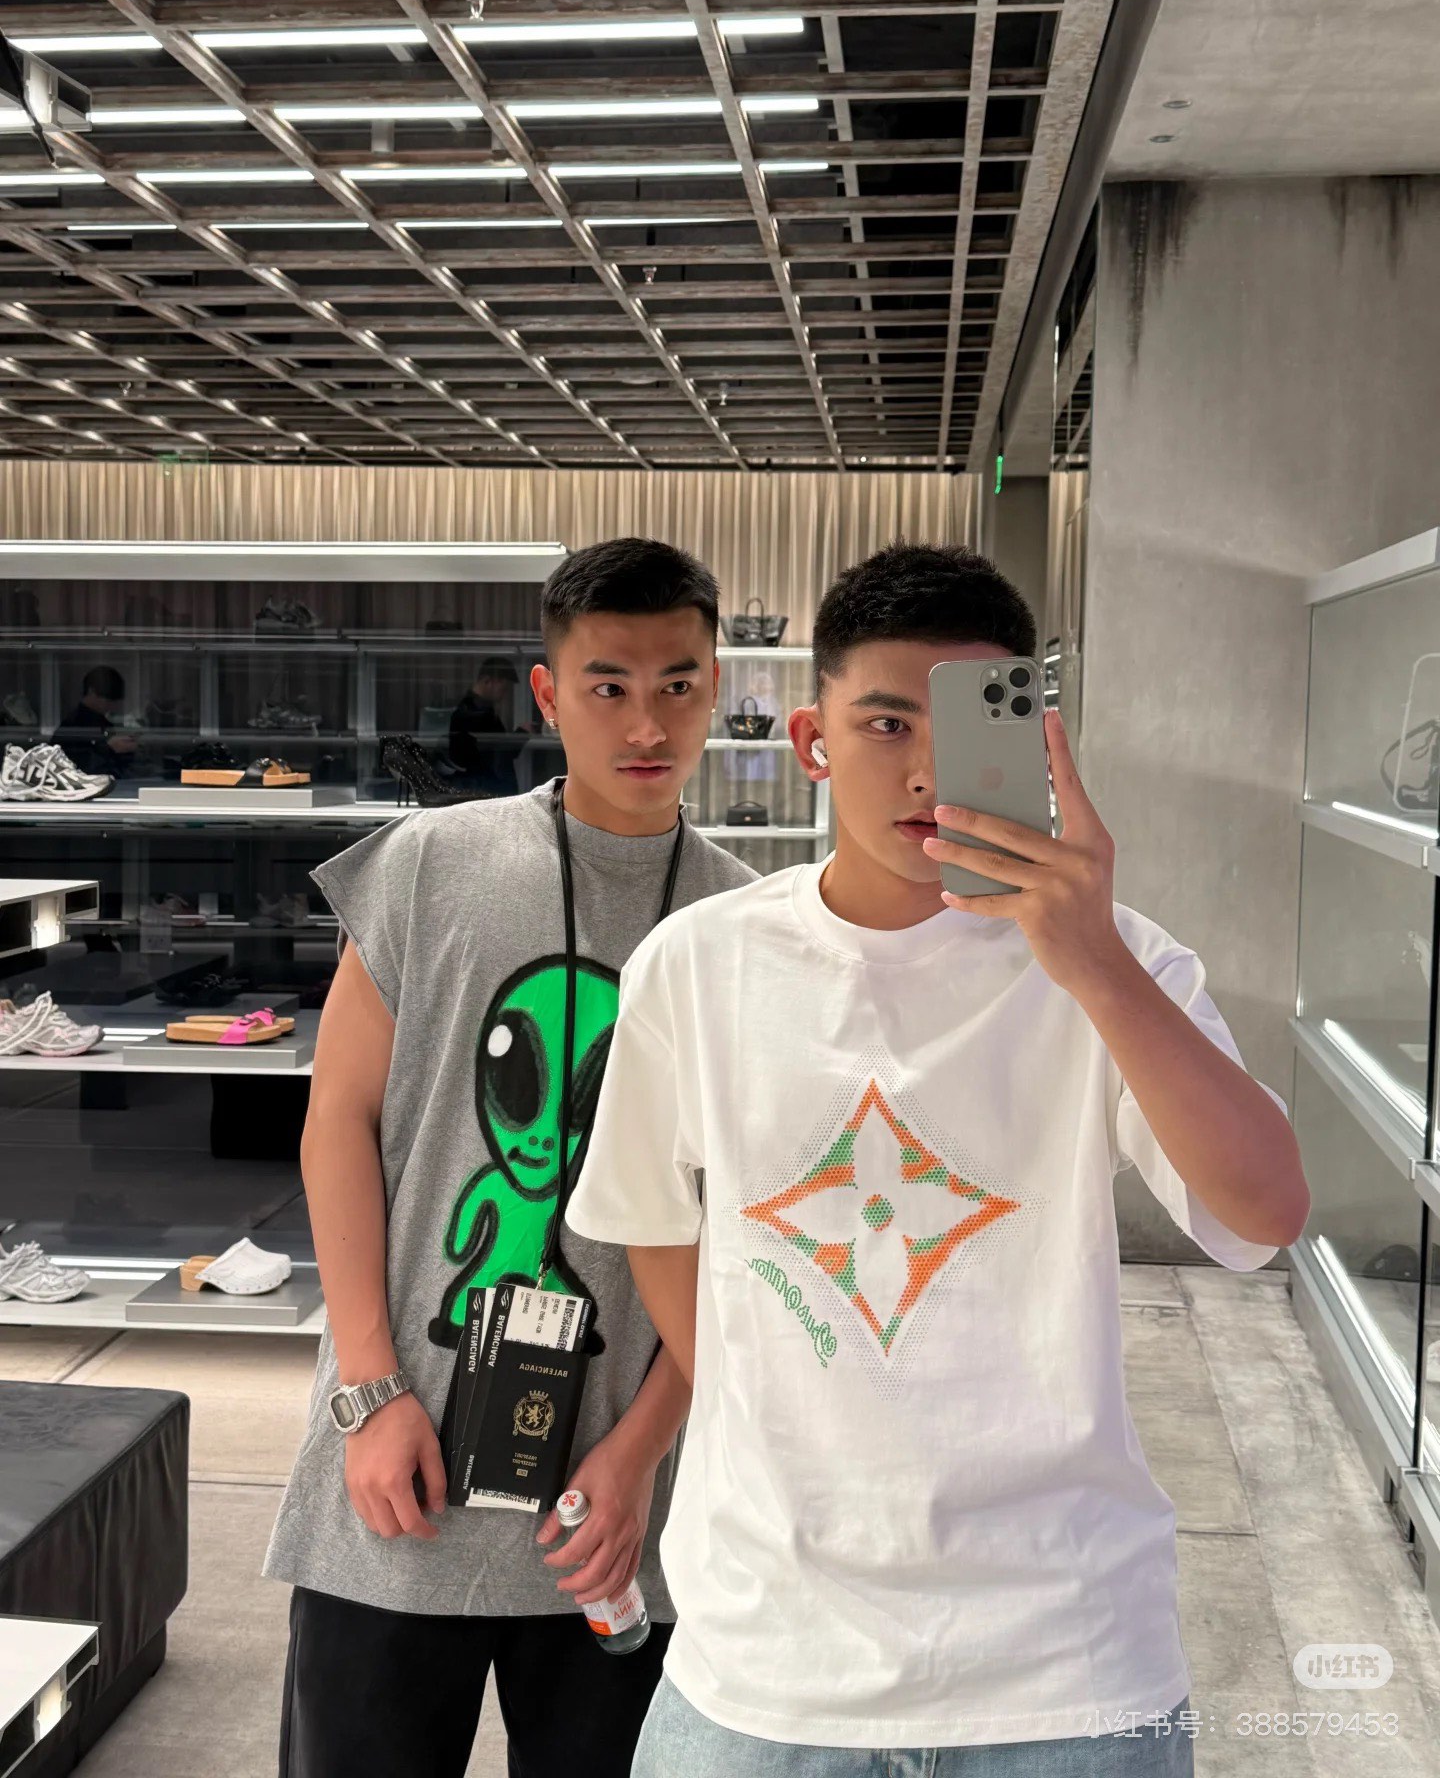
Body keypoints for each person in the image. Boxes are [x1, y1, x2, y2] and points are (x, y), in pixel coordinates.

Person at [568, 541, 1310, 1776]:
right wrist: (767, 1395)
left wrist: (1094, 963)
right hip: (769, 1651)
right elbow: (651, 1214)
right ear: (812, 740)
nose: (923, 769)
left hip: (1064, 1660)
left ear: (1034, 742)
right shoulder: (699, 965)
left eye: (965, 728)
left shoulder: (1121, 962)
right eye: (884, 723)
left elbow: (1267, 1209)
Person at [264, 538, 757, 1778]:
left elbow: (745, 1235)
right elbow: (337, 1123)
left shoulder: (749, 928)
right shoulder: (429, 864)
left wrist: (643, 1452)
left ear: (716, 685)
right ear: (548, 693)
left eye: (678, 685)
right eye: (608, 685)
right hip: (398, 1472)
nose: (646, 723)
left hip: (611, 1512)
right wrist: (369, 1392)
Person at [448, 654, 524, 796]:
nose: (504, 695)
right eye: (503, 689)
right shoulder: (474, 714)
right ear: (487, 681)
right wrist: (523, 733)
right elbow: (496, 753)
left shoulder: (476, 710)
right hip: (486, 790)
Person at [55, 665, 138, 776]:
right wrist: (109, 749)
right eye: (107, 700)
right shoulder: (74, 725)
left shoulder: (101, 722)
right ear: (91, 692)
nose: (111, 706)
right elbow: (78, 765)